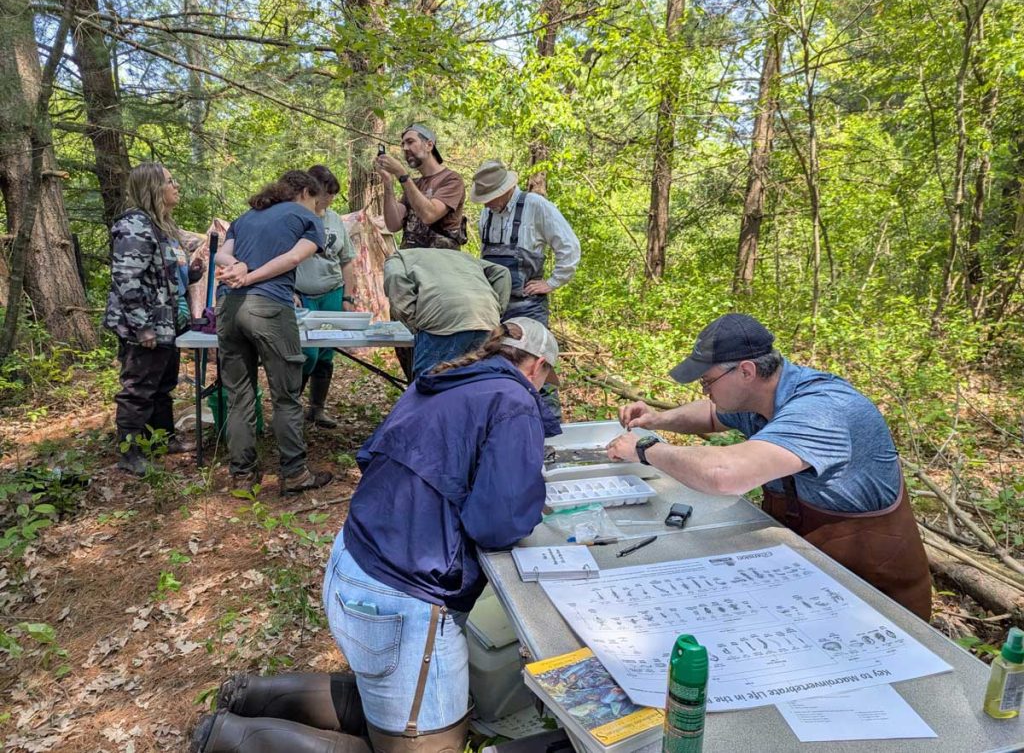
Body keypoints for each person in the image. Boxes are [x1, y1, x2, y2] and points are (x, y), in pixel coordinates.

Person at [322, 318, 562, 753]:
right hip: (407, 595)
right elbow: (496, 524)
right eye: (547, 379)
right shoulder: (514, 399)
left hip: (354, 558)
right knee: (431, 743)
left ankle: (245, 703)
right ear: (538, 366)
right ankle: (236, 739)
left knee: (379, 701)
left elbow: (374, 455)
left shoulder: (443, 377)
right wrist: (526, 498)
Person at [606, 313, 933, 621]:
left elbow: (724, 475)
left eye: (708, 382)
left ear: (746, 371)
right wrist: (656, 419)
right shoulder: (758, 396)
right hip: (808, 574)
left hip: (874, 601)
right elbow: (710, 414)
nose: (705, 391)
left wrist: (646, 448)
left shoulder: (822, 412)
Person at [213, 170, 333, 493]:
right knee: (286, 395)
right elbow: (294, 257)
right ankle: (294, 473)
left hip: (228, 308)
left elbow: (222, 255)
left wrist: (239, 267)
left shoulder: (245, 217)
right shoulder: (307, 219)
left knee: (239, 395)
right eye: (318, 200)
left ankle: (241, 475)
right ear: (306, 193)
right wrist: (251, 277)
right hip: (269, 308)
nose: (320, 207)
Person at [470, 159, 581, 418]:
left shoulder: (535, 206)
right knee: (495, 368)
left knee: (535, 370)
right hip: (495, 308)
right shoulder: (487, 214)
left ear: (505, 190)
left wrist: (551, 283)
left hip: (529, 308)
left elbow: (569, 247)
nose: (485, 203)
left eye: (489, 197)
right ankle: (506, 424)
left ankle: (547, 433)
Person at [105, 162, 195, 475]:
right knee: (138, 388)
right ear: (153, 188)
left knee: (163, 384)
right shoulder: (135, 225)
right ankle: (129, 453)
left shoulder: (163, 226)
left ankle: (163, 439)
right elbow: (127, 279)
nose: (177, 187)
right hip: (144, 325)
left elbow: (166, 272)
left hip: (167, 322)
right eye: (171, 182)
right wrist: (142, 326)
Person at [294, 165, 359, 428]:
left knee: (325, 354)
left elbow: (347, 261)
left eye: (333, 194)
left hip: (331, 291)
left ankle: (317, 408)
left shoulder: (335, 220)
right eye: (327, 193)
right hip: (302, 294)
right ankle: (291, 404)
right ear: (312, 191)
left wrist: (348, 297)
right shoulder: (296, 217)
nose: (330, 199)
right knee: (307, 353)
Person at [383, 248, 511, 377]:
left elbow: (395, 278)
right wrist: (496, 311)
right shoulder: (462, 256)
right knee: (476, 382)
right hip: (486, 319)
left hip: (443, 323)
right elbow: (502, 272)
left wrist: (413, 322)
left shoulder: (397, 257)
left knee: (430, 383)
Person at [376, 124, 466, 250]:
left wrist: (401, 174)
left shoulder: (451, 179)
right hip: (410, 262)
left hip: (440, 262)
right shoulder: (413, 184)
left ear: (429, 145)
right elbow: (393, 225)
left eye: (410, 142)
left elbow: (429, 215)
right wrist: (387, 182)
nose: (405, 148)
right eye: (403, 145)